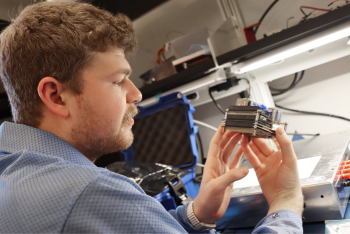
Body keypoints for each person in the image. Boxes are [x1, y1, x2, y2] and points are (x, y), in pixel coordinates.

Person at [0, 2, 303, 233]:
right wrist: (285, 202)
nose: (136, 94)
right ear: (56, 96)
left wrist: (197, 214)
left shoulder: (12, 167)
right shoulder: (87, 191)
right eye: (118, 80)